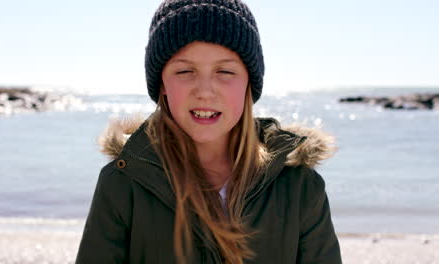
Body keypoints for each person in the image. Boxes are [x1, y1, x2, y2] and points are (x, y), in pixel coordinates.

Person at [75, 0, 342, 263]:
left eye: (225, 71)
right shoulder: (123, 183)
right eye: (185, 71)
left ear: (249, 82)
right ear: (162, 85)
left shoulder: (299, 186)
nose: (204, 91)